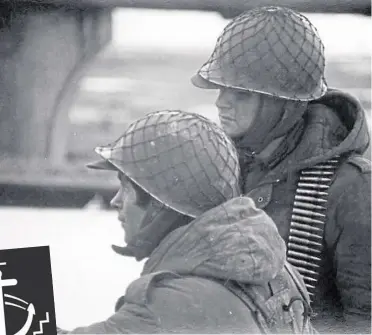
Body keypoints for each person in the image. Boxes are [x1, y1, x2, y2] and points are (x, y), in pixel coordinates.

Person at [190, 5, 371, 334]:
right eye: (221, 87)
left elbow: (364, 321)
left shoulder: (351, 189)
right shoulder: (222, 171)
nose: (221, 102)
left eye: (241, 93)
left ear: (281, 103)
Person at [57, 110, 315, 334]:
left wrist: (20, 295)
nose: (115, 201)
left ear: (160, 202)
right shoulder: (277, 270)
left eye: (125, 188)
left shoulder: (171, 305)